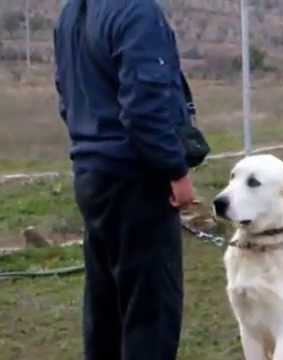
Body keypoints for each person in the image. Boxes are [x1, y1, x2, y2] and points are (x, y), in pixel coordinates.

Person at [54, 0, 197, 358]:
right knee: (150, 314)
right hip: (138, 180)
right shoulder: (136, 10)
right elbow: (145, 106)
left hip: (92, 174)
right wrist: (175, 170)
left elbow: (65, 94)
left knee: (106, 313)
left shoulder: (72, 12)